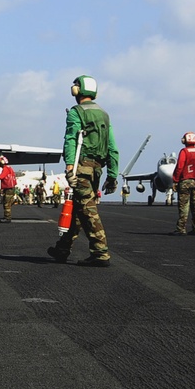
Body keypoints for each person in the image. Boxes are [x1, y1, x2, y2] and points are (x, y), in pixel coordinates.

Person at [48, 75, 119, 267]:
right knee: (80, 208)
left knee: (87, 210)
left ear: (77, 90)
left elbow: (71, 139)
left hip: (82, 167)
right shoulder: (104, 114)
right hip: (97, 170)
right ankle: (62, 248)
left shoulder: (76, 112)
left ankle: (100, 253)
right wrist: (112, 174)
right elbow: (112, 147)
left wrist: (70, 166)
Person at [171, 132, 195, 236]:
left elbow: (180, 166)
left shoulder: (184, 151)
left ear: (184, 140)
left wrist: (175, 180)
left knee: (183, 206)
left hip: (185, 181)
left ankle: (181, 229)